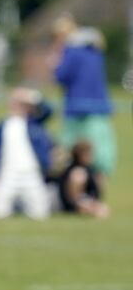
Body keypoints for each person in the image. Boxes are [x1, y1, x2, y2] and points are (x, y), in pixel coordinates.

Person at [52, 15, 116, 178]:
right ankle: (96, 193)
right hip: (99, 107)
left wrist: (56, 61)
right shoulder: (94, 49)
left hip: (76, 108)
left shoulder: (70, 51)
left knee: (68, 152)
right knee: (100, 155)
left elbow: (61, 76)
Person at [0, 88, 53, 220]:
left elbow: (49, 110)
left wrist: (31, 96)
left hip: (31, 174)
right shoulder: (0, 127)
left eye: (21, 104)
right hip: (7, 174)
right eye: (15, 103)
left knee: (41, 213)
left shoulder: (34, 124)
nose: (17, 107)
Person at [58, 141, 109, 218]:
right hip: (73, 203)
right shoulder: (73, 170)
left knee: (103, 210)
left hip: (87, 199)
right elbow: (65, 194)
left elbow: (94, 190)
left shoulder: (89, 169)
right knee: (79, 175)